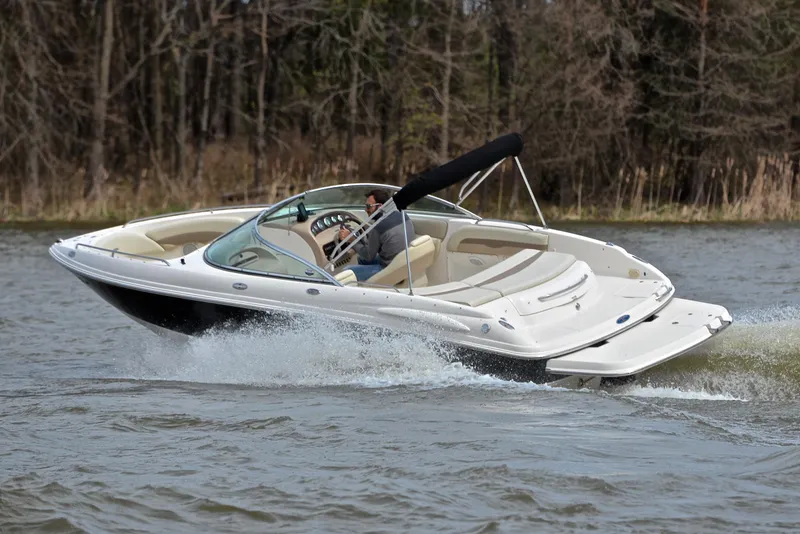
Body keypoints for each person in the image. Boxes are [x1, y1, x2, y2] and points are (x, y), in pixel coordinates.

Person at [337, 189, 415, 281]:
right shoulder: (402, 215)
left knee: (346, 272)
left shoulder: (379, 226)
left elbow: (368, 256)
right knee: (361, 259)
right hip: (403, 263)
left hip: (389, 269)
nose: (366, 209)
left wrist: (351, 239)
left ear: (380, 206)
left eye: (369, 206)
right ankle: (367, 283)